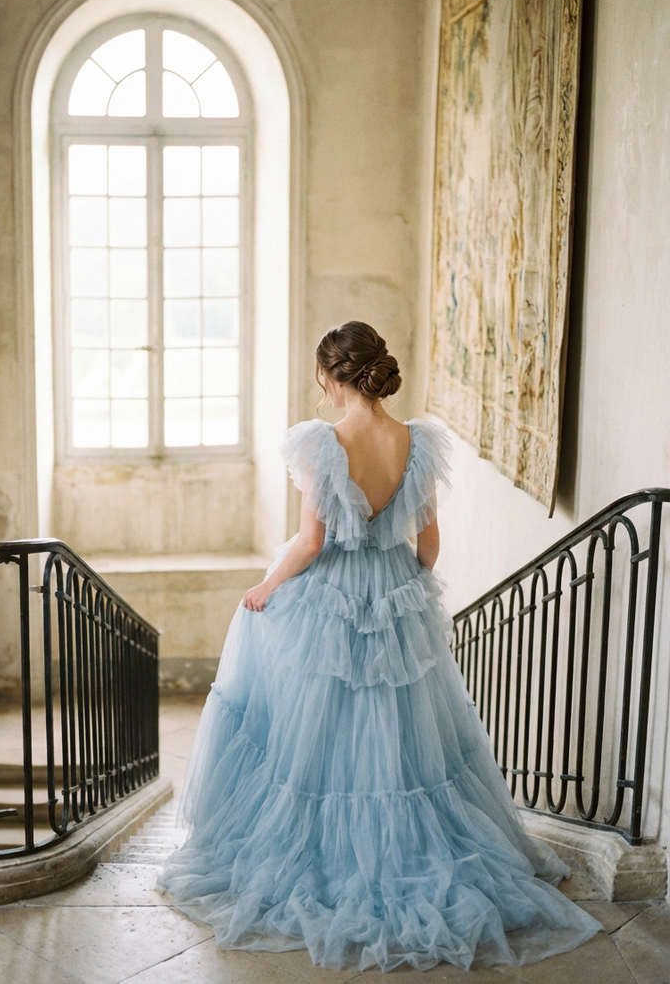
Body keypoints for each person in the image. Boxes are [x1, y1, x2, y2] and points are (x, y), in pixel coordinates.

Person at [158, 321, 602, 972]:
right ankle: (413, 851)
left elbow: (310, 542)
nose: (326, 395)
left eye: (325, 382)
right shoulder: (415, 443)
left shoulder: (322, 445)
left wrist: (265, 584)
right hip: (395, 590)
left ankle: (327, 854)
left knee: (317, 730)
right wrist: (404, 588)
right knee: (401, 735)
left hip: (331, 591)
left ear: (337, 378)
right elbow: (429, 545)